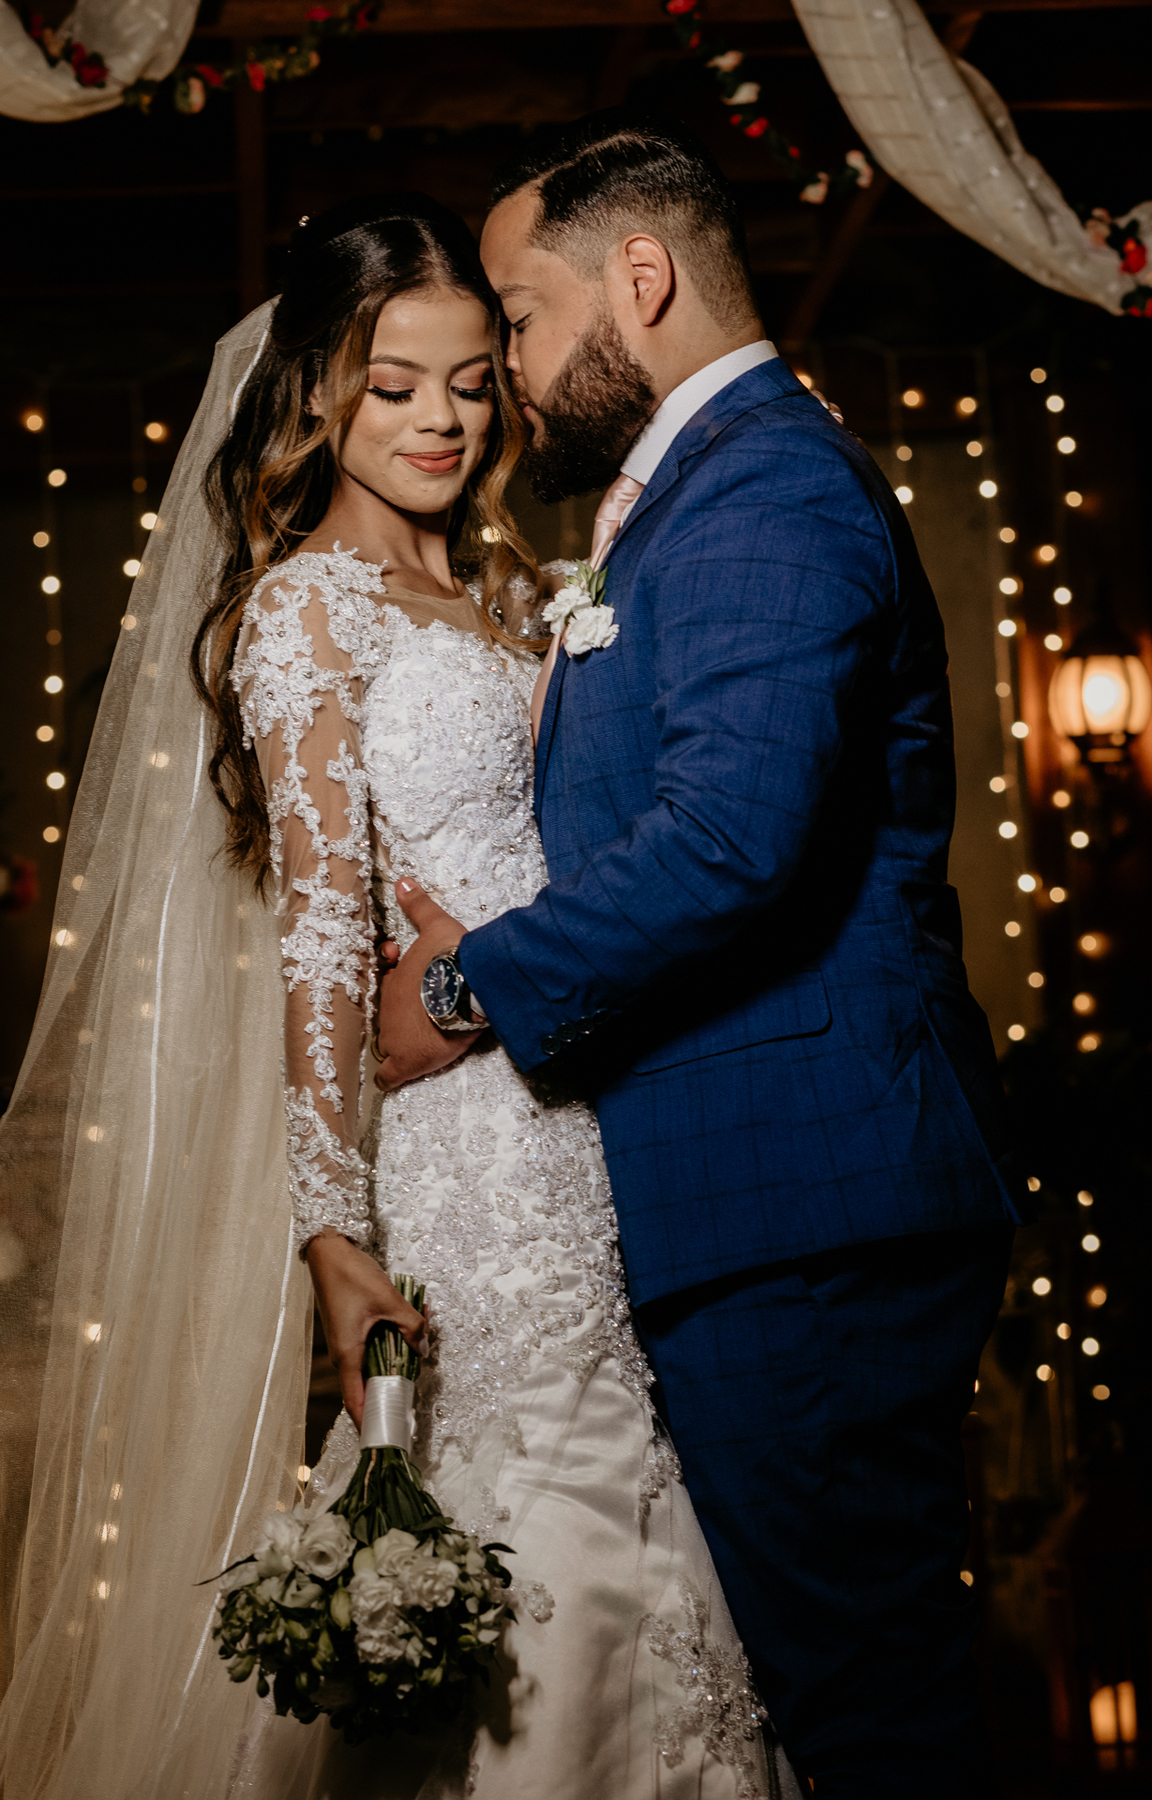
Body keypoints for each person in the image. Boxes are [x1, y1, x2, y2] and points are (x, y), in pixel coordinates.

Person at [0, 196, 779, 1800]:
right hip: (469, 1156)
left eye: (473, 384)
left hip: (603, 1110)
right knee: (543, 1506)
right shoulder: (306, 609)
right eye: (395, 385)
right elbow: (319, 935)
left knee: (641, 1500)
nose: (442, 421)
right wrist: (333, 1234)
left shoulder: (517, 589)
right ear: (317, 396)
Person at [375, 112, 1024, 1797]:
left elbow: (732, 841)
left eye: (523, 318)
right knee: (835, 1700)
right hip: (756, 1202)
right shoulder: (695, 498)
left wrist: (462, 990)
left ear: (640, 279)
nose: (510, 374)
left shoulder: (764, 486)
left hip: (805, 1203)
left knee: (869, 1709)